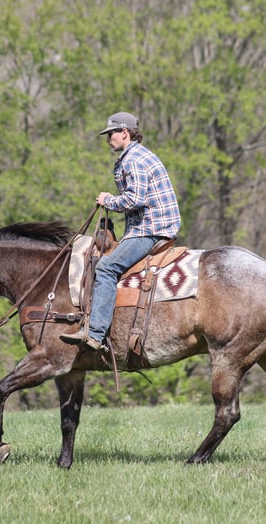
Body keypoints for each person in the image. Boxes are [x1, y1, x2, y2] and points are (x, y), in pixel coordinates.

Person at [61, 111, 181, 351]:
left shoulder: (133, 159)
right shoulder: (136, 155)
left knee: (106, 268)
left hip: (150, 229)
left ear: (125, 133)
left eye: (111, 134)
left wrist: (109, 201)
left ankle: (95, 333)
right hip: (149, 226)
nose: (108, 139)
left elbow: (135, 199)